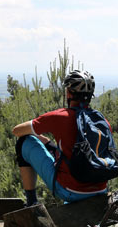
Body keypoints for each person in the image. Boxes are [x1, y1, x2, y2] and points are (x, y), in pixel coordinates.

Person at [12, 70, 111, 206]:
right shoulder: (102, 121)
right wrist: (47, 142)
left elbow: (17, 131)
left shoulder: (60, 116)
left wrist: (35, 132)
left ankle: (31, 203)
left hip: (70, 191)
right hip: (100, 190)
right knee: (50, 147)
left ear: (68, 93)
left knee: (23, 141)